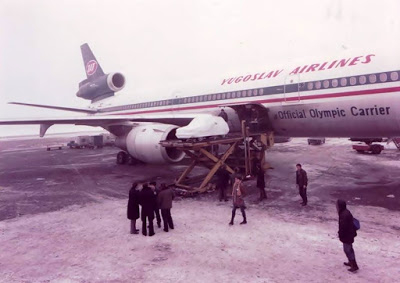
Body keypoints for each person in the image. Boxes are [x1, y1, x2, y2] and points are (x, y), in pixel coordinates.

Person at [336, 199, 359, 272]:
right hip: (349, 235)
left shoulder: (344, 214)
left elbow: (343, 227)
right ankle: (350, 262)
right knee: (349, 249)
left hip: (347, 236)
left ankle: (354, 266)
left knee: (348, 250)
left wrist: (340, 234)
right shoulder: (344, 212)